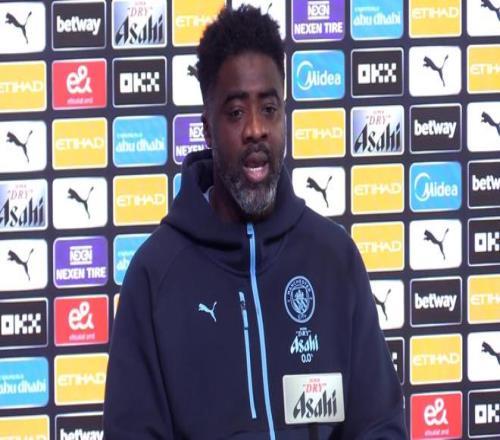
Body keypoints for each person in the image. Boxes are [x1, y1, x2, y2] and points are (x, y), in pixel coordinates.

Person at [104, 5, 407, 439]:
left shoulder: (333, 257)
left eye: (268, 109)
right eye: (235, 113)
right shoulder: (154, 277)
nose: (255, 130)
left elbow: (379, 425)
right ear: (207, 129)